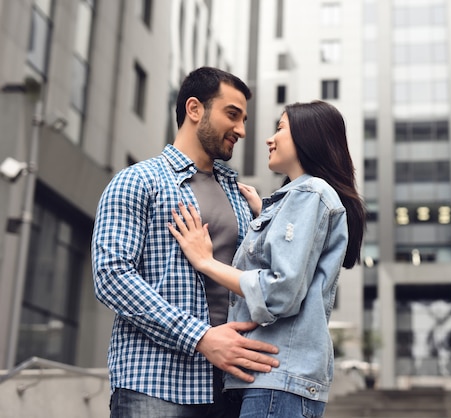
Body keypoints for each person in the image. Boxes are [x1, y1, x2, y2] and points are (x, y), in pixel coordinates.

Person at [91, 66, 279, 418]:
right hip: (155, 383)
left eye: (244, 119)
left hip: (233, 385)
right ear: (195, 109)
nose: (241, 130)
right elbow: (111, 276)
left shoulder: (240, 196)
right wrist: (201, 337)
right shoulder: (137, 181)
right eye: (232, 115)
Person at [168, 100, 367, 417]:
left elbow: (279, 291)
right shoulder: (300, 197)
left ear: (307, 137)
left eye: (281, 128)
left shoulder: (311, 193)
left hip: (278, 379)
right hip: (273, 379)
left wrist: (205, 262)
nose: (269, 138)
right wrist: (268, 215)